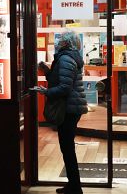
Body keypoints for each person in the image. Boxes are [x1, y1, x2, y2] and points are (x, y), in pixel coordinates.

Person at [36, 31, 88, 194]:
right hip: (71, 107)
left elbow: (65, 88)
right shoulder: (68, 57)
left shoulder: (65, 58)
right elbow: (60, 80)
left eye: (60, 41)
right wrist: (46, 71)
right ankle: (73, 185)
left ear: (65, 43)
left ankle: (75, 187)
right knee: (67, 147)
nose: (57, 43)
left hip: (69, 108)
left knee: (67, 148)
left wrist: (46, 92)